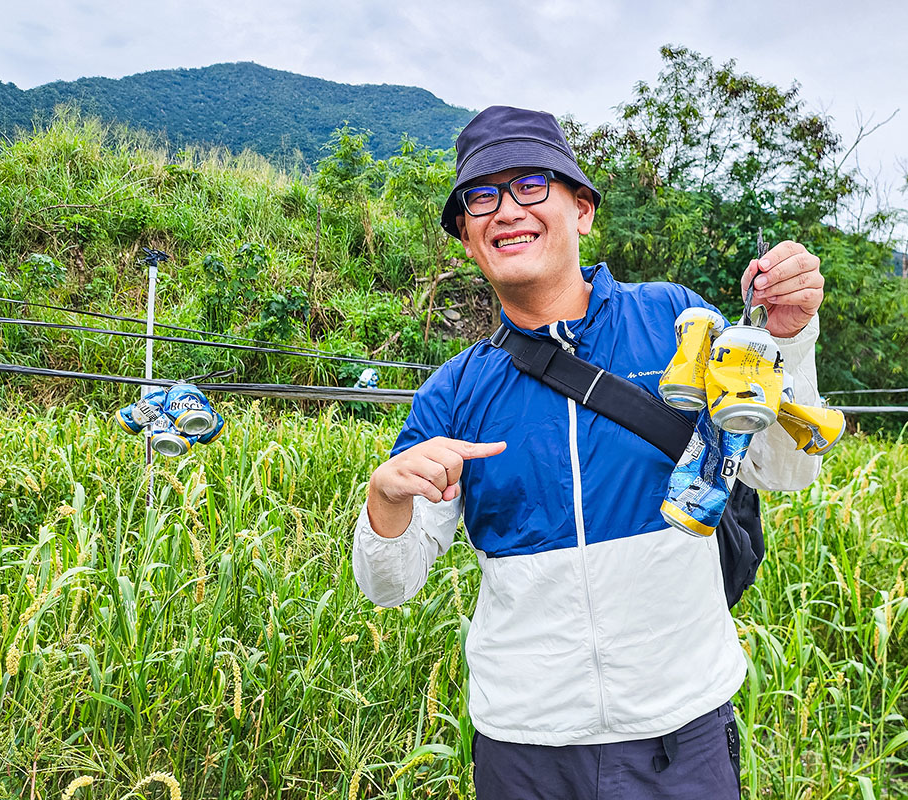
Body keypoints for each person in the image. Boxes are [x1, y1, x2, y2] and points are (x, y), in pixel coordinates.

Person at [352, 105, 826, 800]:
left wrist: (788, 341)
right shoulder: (454, 391)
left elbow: (784, 468)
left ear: (582, 210)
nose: (505, 209)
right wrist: (385, 498)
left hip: (682, 735)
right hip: (524, 750)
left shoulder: (678, 321)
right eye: (480, 197)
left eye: (530, 186)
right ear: (467, 240)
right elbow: (389, 584)